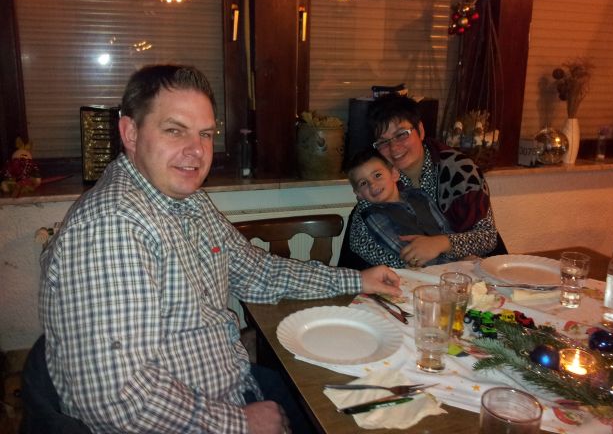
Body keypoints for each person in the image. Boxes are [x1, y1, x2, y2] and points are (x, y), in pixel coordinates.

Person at [38, 64, 401, 434]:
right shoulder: (113, 227)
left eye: (206, 134)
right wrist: (241, 422)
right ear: (130, 133)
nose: (196, 150)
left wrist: (356, 280)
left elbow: (258, 272)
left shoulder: (187, 201)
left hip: (230, 383)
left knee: (366, 401)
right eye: (174, 130)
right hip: (194, 418)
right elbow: (117, 399)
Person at [345, 93, 498, 269]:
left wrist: (441, 243)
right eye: (383, 142)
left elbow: (487, 237)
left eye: (401, 134)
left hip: (468, 268)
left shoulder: (459, 170)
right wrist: (413, 264)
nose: (394, 147)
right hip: (411, 274)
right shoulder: (379, 181)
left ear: (420, 130)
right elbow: (359, 241)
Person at [346, 148, 452, 263]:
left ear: (394, 174)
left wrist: (458, 257)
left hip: (451, 263)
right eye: (363, 183)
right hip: (424, 270)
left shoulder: (420, 196)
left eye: (377, 175)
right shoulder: (374, 215)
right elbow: (405, 254)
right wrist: (451, 263)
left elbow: (446, 231)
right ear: (359, 194)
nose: (372, 185)